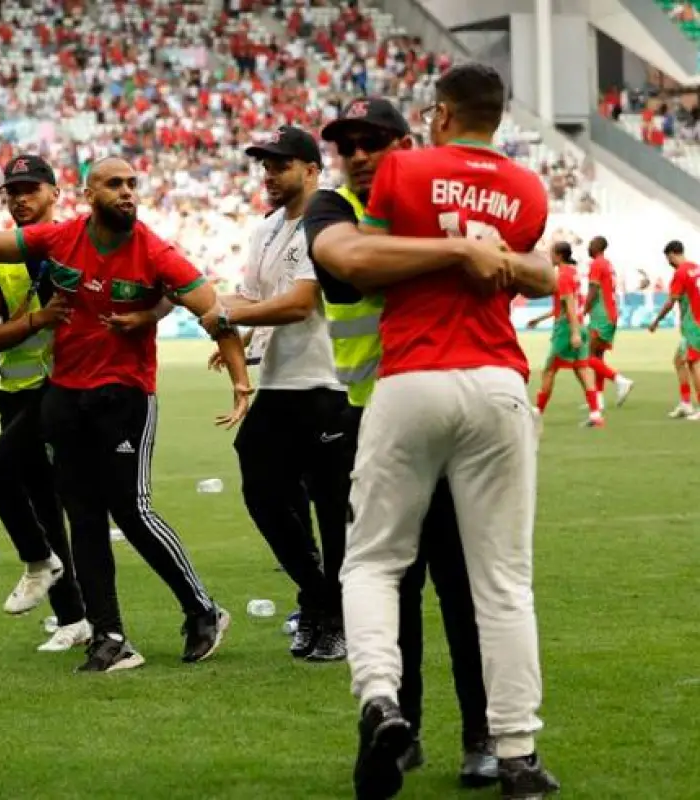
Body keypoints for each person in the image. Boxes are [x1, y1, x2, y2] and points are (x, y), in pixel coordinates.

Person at [0, 156, 253, 673]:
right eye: (114, 184)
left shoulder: (155, 250)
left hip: (125, 396)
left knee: (134, 511)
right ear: (87, 194)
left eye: (132, 183)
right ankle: (109, 637)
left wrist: (239, 380)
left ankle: (203, 611)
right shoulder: (60, 239)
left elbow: (211, 310)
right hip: (65, 396)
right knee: (83, 518)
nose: (127, 192)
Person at [337, 65, 560, 798]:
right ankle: (518, 753)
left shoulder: (402, 169)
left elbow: (364, 268)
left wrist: (432, 249)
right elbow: (535, 273)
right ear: (498, 117)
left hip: (413, 375)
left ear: (437, 114)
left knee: (374, 560)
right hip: (499, 378)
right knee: (504, 581)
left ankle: (382, 704)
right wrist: (473, 251)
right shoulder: (528, 190)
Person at [306, 96, 500, 792]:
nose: (358, 155)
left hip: (446, 418)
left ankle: (482, 733)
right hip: (368, 424)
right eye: (346, 144)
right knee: (393, 586)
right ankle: (398, 728)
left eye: (374, 141)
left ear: (407, 143)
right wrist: (453, 253)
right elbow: (354, 268)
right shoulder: (331, 211)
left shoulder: (433, 208)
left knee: (459, 585)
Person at [199, 127, 349, 662]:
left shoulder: (325, 225)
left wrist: (229, 313)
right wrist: (235, 329)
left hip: (328, 384)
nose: (269, 174)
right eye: (265, 164)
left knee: (333, 509)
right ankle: (318, 594)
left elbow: (299, 304)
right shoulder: (265, 230)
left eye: (280, 165)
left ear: (311, 170)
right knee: (262, 488)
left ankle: (335, 618)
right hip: (281, 382)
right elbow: (256, 297)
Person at [0, 154, 91, 652]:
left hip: (63, 391)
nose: (21, 198)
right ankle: (75, 618)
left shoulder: (78, 246)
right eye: (12, 191)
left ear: (54, 193)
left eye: (31, 189)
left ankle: (40, 565)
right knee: (45, 504)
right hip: (15, 394)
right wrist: (39, 322)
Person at [526, 242, 604, 429]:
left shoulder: (562, 276)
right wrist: (539, 319)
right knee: (582, 370)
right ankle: (595, 414)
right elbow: (562, 306)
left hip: (567, 328)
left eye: (551, 253)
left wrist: (574, 333)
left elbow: (568, 304)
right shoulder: (573, 273)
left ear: (559, 255)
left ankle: (537, 413)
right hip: (578, 324)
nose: (549, 257)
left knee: (549, 370)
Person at [648, 240, 700, 420]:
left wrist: (656, 320)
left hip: (694, 324)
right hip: (695, 321)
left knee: (694, 364)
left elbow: (671, 301)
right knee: (679, 361)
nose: (668, 262)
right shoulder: (696, 267)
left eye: (668, 258)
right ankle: (685, 403)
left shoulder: (681, 273)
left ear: (672, 254)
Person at [583, 237, 634, 408]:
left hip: (602, 315)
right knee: (598, 357)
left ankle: (620, 380)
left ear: (598, 247)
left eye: (591, 244)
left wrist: (583, 310)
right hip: (609, 313)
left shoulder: (597, 264)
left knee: (587, 355)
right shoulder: (608, 264)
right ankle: (599, 400)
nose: (588, 247)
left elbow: (593, 289)